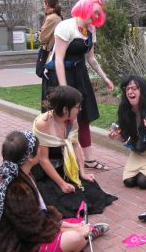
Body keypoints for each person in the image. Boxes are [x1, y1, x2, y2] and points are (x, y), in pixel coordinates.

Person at [0, 131, 109, 252]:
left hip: (21, 239)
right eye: (38, 147)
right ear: (31, 158)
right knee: (76, 238)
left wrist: (70, 226)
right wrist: (75, 230)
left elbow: (38, 216)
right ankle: (80, 240)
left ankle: (68, 247)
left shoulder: (20, 173)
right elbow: (36, 230)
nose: (42, 149)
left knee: (74, 224)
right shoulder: (16, 189)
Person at [43, 0, 114, 170]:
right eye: (94, 12)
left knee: (83, 116)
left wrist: (104, 77)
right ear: (85, 8)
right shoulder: (65, 26)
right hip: (60, 75)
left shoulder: (91, 30)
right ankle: (59, 160)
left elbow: (90, 57)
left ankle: (88, 160)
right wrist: (64, 89)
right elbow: (58, 59)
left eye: (99, 13)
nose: (96, 16)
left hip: (79, 75)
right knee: (62, 118)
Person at [33, 85, 118, 218]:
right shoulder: (43, 123)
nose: (80, 109)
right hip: (46, 170)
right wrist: (62, 184)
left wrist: (82, 172)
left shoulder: (72, 120)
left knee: (91, 192)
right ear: (65, 109)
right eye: (77, 106)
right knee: (65, 201)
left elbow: (76, 145)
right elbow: (43, 160)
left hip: (65, 165)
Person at [39, 0, 62, 101]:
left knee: (47, 81)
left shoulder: (52, 18)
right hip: (52, 52)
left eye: (44, 3)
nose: (43, 5)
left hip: (49, 52)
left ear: (47, 4)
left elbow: (42, 38)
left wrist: (39, 33)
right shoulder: (56, 17)